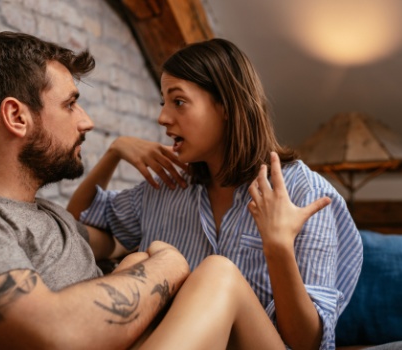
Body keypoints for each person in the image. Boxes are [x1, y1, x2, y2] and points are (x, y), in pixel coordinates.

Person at [0, 32, 297, 350]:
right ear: (16, 116)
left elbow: (107, 235)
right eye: (70, 105)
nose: (86, 122)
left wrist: (138, 255)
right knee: (217, 274)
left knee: (165, 259)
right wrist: (168, 265)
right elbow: (51, 335)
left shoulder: (49, 218)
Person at [68, 38, 364, 350]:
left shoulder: (302, 192)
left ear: (225, 106)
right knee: (140, 261)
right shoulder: (166, 188)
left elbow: (309, 343)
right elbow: (72, 230)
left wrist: (278, 247)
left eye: (178, 102)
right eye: (163, 104)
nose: (163, 118)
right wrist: (114, 152)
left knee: (218, 271)